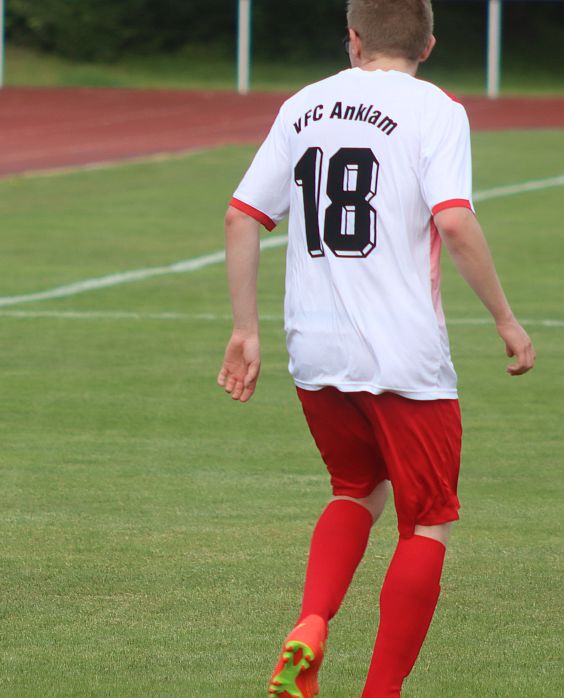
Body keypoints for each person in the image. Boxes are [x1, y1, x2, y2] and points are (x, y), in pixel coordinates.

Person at [218, 2, 536, 696]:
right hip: (403, 357)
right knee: (428, 523)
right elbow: (453, 220)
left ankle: (310, 621)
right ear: (428, 42)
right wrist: (506, 319)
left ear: (354, 39)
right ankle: (381, 692)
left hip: (315, 350)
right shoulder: (436, 109)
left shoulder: (305, 104)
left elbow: (243, 216)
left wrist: (246, 329)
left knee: (355, 488)